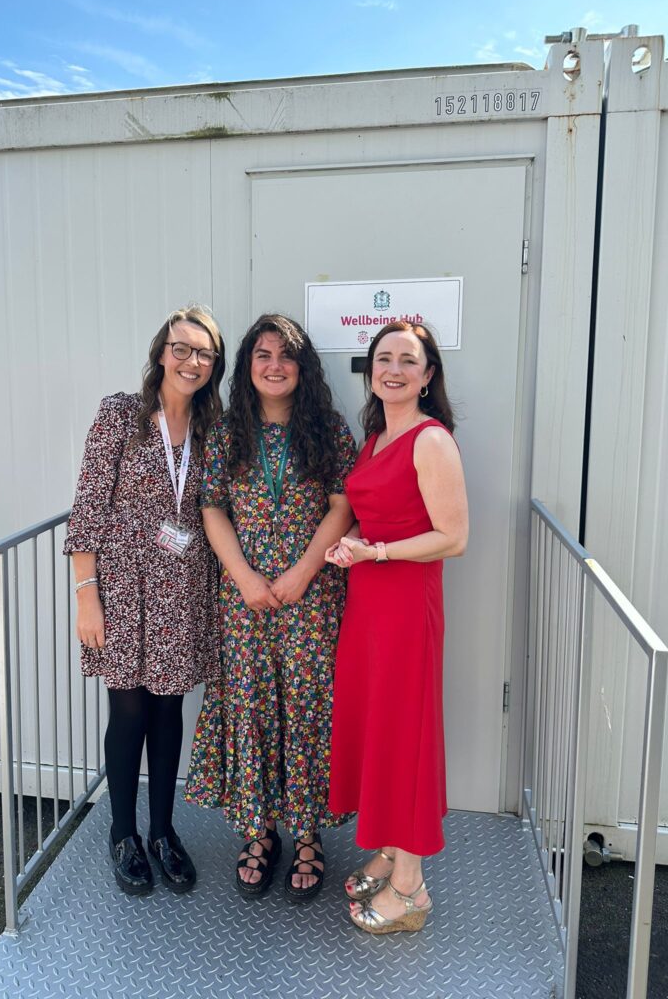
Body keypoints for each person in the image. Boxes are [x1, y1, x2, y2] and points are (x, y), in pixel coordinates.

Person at [184, 314, 357, 901]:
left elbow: (343, 507)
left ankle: (307, 834)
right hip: (245, 600)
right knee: (251, 704)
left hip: (313, 599)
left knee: (308, 706)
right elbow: (212, 509)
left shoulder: (330, 431)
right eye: (263, 354)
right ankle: (259, 830)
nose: (275, 365)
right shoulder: (227, 433)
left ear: (303, 367)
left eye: (286, 356)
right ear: (247, 367)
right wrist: (246, 578)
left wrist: (303, 572)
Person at [63, 304, 225, 896]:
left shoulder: (214, 429)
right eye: (182, 348)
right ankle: (122, 834)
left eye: (204, 353)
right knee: (128, 711)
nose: (192, 361)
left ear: (214, 365)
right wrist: (87, 596)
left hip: (182, 589)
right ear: (161, 352)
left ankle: (163, 832)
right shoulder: (121, 415)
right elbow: (88, 507)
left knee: (167, 710)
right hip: (124, 588)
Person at [325, 320, 468, 934]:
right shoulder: (378, 435)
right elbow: (376, 513)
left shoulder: (431, 441)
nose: (393, 369)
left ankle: (411, 889)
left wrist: (376, 553)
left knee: (404, 734)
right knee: (379, 727)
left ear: (428, 374)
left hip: (407, 605)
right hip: (369, 603)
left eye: (408, 360)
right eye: (383, 358)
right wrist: (354, 541)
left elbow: (453, 538)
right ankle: (388, 847)